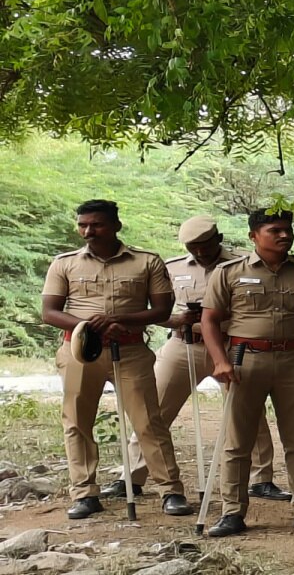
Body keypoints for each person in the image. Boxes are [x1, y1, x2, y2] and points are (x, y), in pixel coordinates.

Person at [103, 216, 288, 502]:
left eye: (205, 245)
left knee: (247, 412)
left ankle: (261, 478)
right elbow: (155, 310)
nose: (199, 252)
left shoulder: (243, 264)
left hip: (231, 345)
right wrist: (176, 319)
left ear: (219, 238)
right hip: (183, 344)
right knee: (153, 410)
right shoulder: (172, 267)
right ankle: (133, 477)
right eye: (193, 247)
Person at [40, 199, 192, 519]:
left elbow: (162, 310)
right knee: (77, 422)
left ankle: (171, 491)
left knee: (149, 421)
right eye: (82, 225)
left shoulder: (146, 261)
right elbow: (49, 312)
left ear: (116, 226)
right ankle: (84, 493)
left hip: (131, 348)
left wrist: (119, 318)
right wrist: (86, 325)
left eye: (96, 225)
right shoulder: (64, 263)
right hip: (79, 350)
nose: (88, 231)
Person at [201, 209, 294, 536]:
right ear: (254, 235)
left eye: (288, 230)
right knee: (238, 440)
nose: (284, 235)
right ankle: (232, 512)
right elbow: (209, 320)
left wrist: (287, 337)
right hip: (245, 359)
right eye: (275, 230)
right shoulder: (228, 272)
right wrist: (220, 361)